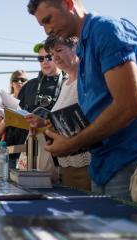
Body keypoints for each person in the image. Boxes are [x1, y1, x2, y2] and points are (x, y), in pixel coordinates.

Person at [28, 0, 137, 200]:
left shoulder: (106, 31)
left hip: (127, 160)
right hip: (102, 164)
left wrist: (73, 143)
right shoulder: (86, 45)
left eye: (48, 19)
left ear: (68, 4)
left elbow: (128, 106)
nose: (47, 30)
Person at [25, 35, 91, 191]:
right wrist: (43, 123)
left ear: (76, 48)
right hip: (67, 164)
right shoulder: (67, 83)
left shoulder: (87, 79)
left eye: (59, 50)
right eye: (52, 53)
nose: (55, 57)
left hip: (87, 164)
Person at [0, 70, 28, 168]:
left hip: (27, 151)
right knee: (6, 181)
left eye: (23, 79)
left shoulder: (31, 101)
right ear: (11, 83)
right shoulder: (3, 102)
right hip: (8, 151)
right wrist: (7, 119)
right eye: (16, 80)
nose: (19, 82)